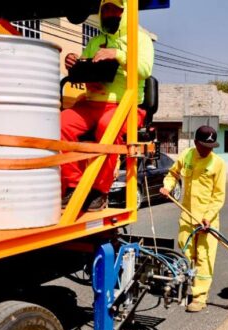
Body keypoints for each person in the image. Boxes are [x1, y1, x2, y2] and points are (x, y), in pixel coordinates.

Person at [61, 0, 154, 211]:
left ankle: (100, 191)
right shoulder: (95, 41)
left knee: (106, 125)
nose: (110, 14)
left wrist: (118, 55)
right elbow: (85, 69)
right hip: (91, 102)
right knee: (60, 123)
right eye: (106, 10)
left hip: (125, 105)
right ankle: (73, 186)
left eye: (116, 10)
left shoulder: (141, 39)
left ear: (126, 13)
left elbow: (145, 70)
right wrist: (74, 64)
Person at [160, 126, 227, 312]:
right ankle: (186, 286)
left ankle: (199, 297)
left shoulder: (218, 164)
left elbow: (219, 195)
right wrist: (167, 186)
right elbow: (172, 174)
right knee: (187, 254)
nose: (208, 149)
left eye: (211, 146)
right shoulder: (186, 156)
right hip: (187, 217)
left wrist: (208, 217)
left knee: (204, 258)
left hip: (208, 220)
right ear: (196, 142)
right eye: (205, 145)